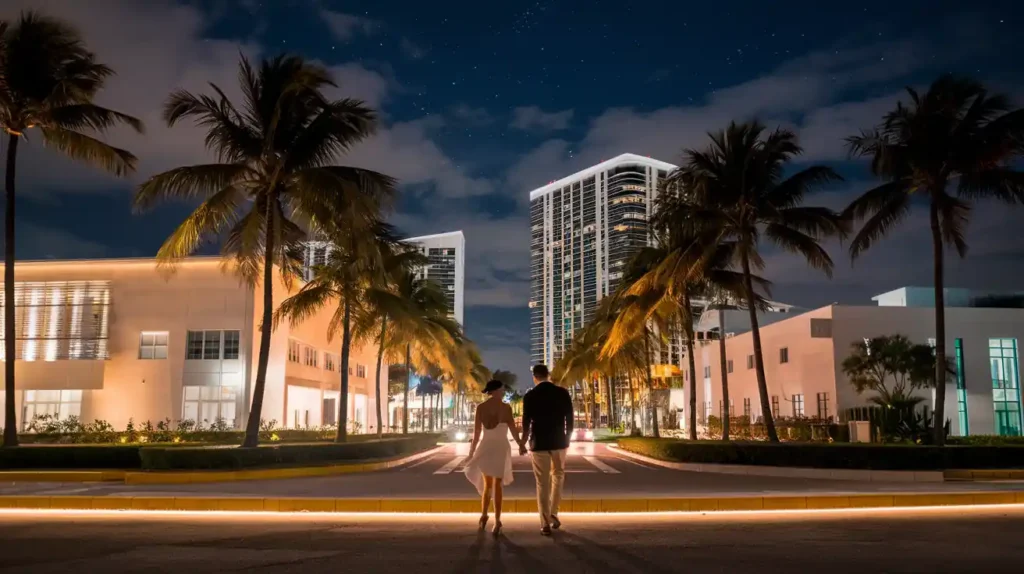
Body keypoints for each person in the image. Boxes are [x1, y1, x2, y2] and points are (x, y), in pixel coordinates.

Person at [464, 379, 527, 537]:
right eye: (502, 389)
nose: (504, 391)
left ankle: (484, 515)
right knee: (497, 484)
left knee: (487, 484)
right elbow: (513, 429)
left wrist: (472, 452)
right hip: (500, 447)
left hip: (486, 446)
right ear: (497, 390)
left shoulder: (481, 408)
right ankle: (497, 520)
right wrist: (520, 444)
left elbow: (477, 433)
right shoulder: (506, 408)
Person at [521, 364, 573, 536]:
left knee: (542, 483)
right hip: (559, 442)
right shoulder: (562, 393)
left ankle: (544, 523)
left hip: (539, 443)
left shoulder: (530, 396)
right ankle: (553, 513)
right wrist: (567, 438)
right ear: (548, 375)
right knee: (558, 476)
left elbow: (526, 423)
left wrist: (522, 442)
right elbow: (570, 419)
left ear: (534, 377)